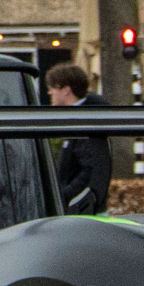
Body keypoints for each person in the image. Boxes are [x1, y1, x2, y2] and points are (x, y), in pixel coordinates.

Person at [45, 63, 112, 214]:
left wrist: (62, 196)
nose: (49, 92)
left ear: (66, 90)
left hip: (83, 213)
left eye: (53, 87)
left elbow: (90, 171)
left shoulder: (86, 123)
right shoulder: (81, 118)